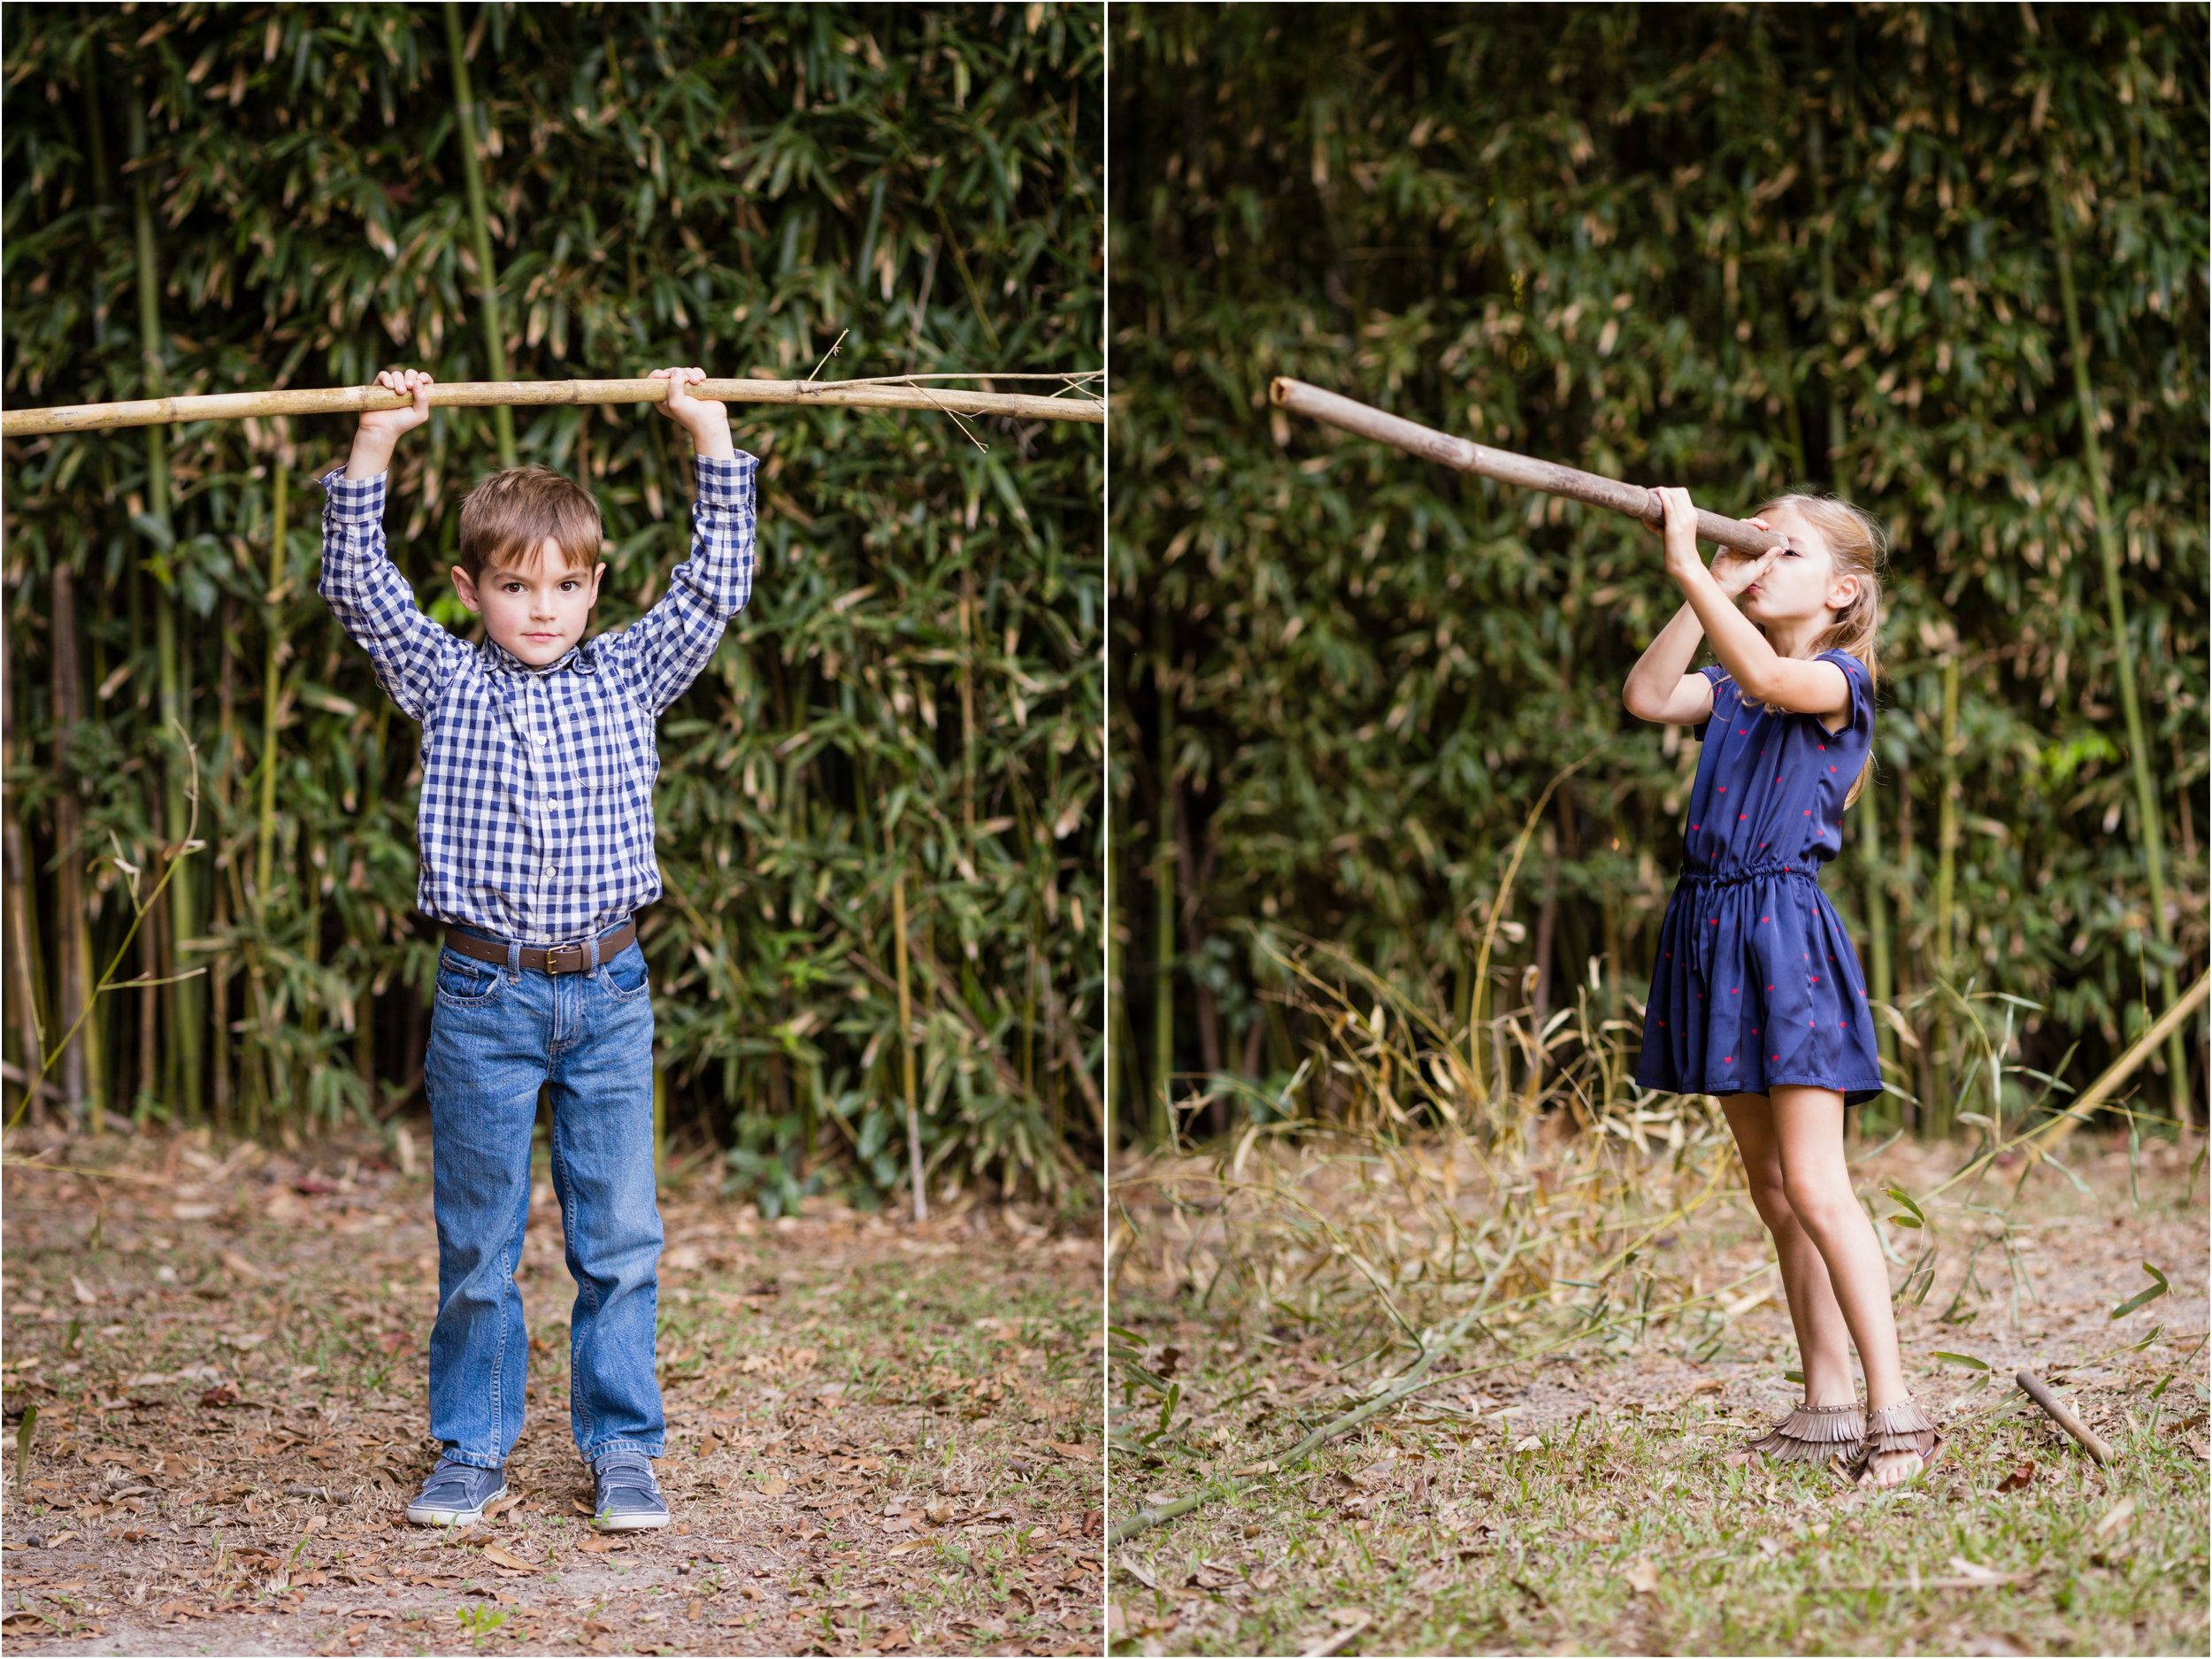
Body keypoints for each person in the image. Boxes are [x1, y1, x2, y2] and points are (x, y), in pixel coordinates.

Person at [318, 365, 757, 1529]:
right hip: (485, 993)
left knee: (616, 1237)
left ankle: (622, 1446)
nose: (544, 607)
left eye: (566, 584)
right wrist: (376, 442)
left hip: (609, 989)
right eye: (516, 586)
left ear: (596, 586)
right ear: (470, 589)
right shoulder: (446, 680)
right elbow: (359, 588)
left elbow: (713, 591)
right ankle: (471, 1444)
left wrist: (710, 437)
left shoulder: (627, 673)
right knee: (480, 1241)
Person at [1621, 486, 1943, 1489]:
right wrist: (1706, 583)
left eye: (1781, 551)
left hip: (1783, 937)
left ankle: (1897, 1418)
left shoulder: (1834, 681)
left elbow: (1767, 672)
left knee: (1814, 1183)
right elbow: (1644, 696)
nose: (1759, 565)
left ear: (1842, 591)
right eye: (1752, 549)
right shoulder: (1726, 683)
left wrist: (1684, 563)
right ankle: (1824, 1398)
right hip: (1712, 927)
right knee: (1770, 1190)